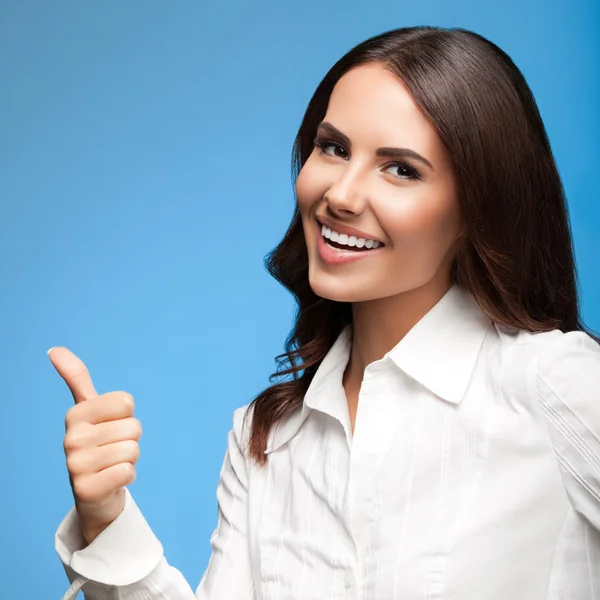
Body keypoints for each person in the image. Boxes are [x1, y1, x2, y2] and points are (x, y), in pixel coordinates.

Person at [50, 25, 600, 600]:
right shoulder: (266, 437)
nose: (340, 194)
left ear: (475, 211)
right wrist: (105, 516)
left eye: (401, 169)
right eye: (334, 148)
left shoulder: (555, 384)